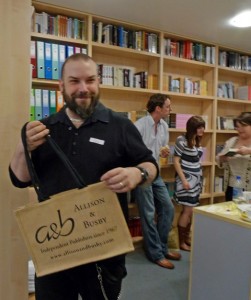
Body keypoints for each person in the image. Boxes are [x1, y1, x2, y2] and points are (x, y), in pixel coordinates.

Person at [9, 53, 159, 300]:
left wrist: (137, 173)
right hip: (55, 248)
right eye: (74, 81)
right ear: (61, 86)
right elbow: (19, 179)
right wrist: (22, 146)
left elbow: (150, 165)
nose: (83, 88)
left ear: (98, 82)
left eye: (90, 80)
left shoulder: (120, 125)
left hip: (104, 249)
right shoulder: (44, 128)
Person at [134, 93, 181, 270]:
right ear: (158, 108)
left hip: (157, 174)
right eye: (168, 106)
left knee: (168, 208)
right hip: (142, 174)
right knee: (148, 213)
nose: (170, 109)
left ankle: (162, 248)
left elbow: (162, 147)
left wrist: (164, 152)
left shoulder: (163, 126)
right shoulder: (139, 126)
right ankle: (155, 254)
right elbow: (131, 152)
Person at [173, 115, 205, 252]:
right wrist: (184, 180)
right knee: (187, 210)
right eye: (199, 127)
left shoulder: (196, 140)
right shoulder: (182, 140)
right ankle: (182, 242)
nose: (202, 129)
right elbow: (176, 161)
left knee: (191, 211)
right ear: (192, 128)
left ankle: (186, 238)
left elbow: (196, 161)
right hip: (186, 181)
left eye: (203, 127)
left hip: (196, 181)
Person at [216, 112, 251, 201]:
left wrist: (249, 151)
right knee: (232, 212)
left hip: (249, 188)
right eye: (238, 126)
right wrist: (222, 158)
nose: (240, 129)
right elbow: (219, 159)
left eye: (243, 126)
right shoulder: (231, 141)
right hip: (232, 186)